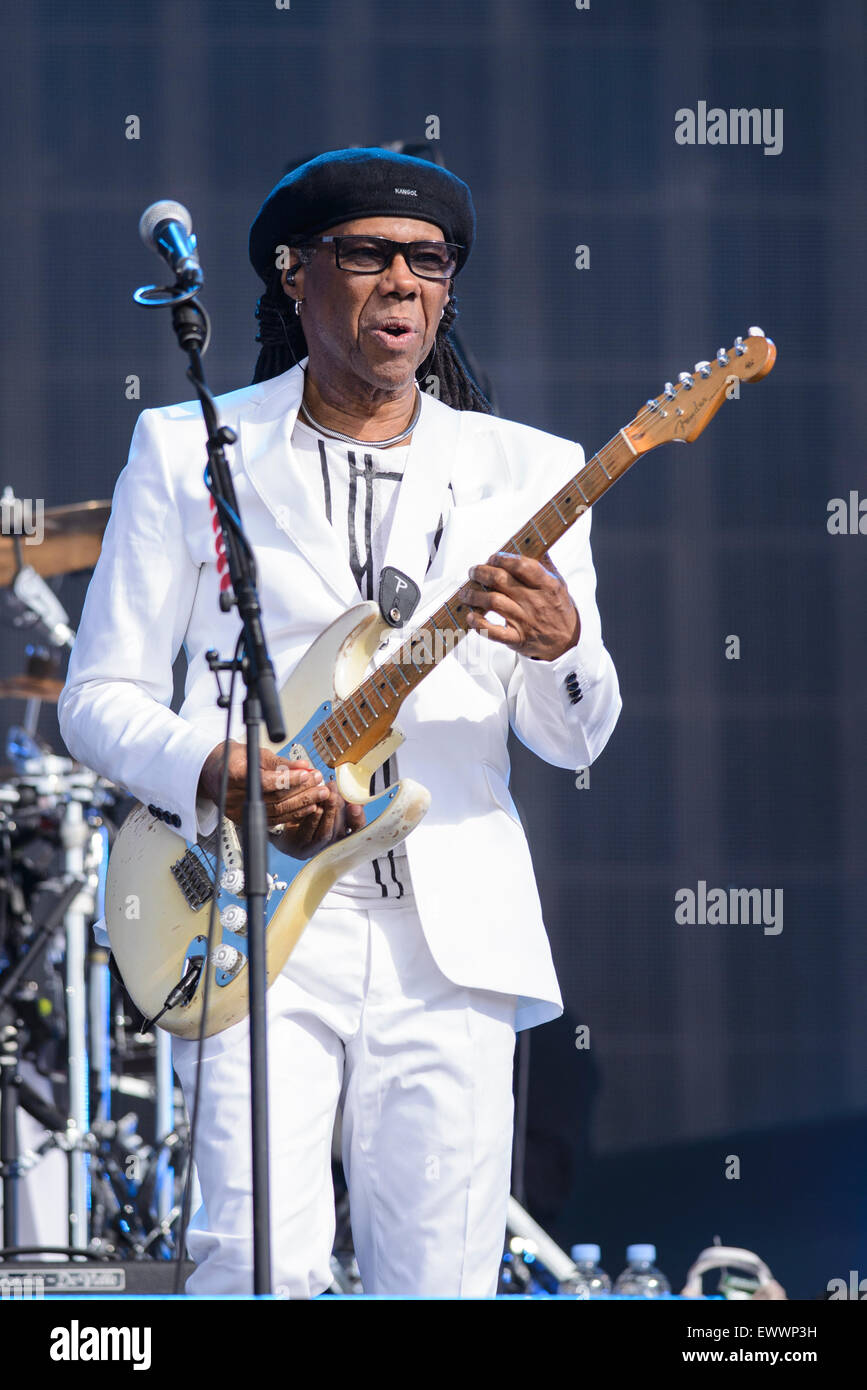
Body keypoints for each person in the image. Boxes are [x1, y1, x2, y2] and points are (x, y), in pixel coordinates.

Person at [58, 147, 622, 1297]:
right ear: (292, 275)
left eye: (430, 261)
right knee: (254, 1267)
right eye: (367, 256)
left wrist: (567, 648)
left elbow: (575, 738)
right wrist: (217, 766)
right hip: (256, 918)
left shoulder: (530, 470)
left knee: (441, 1278)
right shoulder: (186, 449)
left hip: (449, 934)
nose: (403, 283)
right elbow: (96, 698)